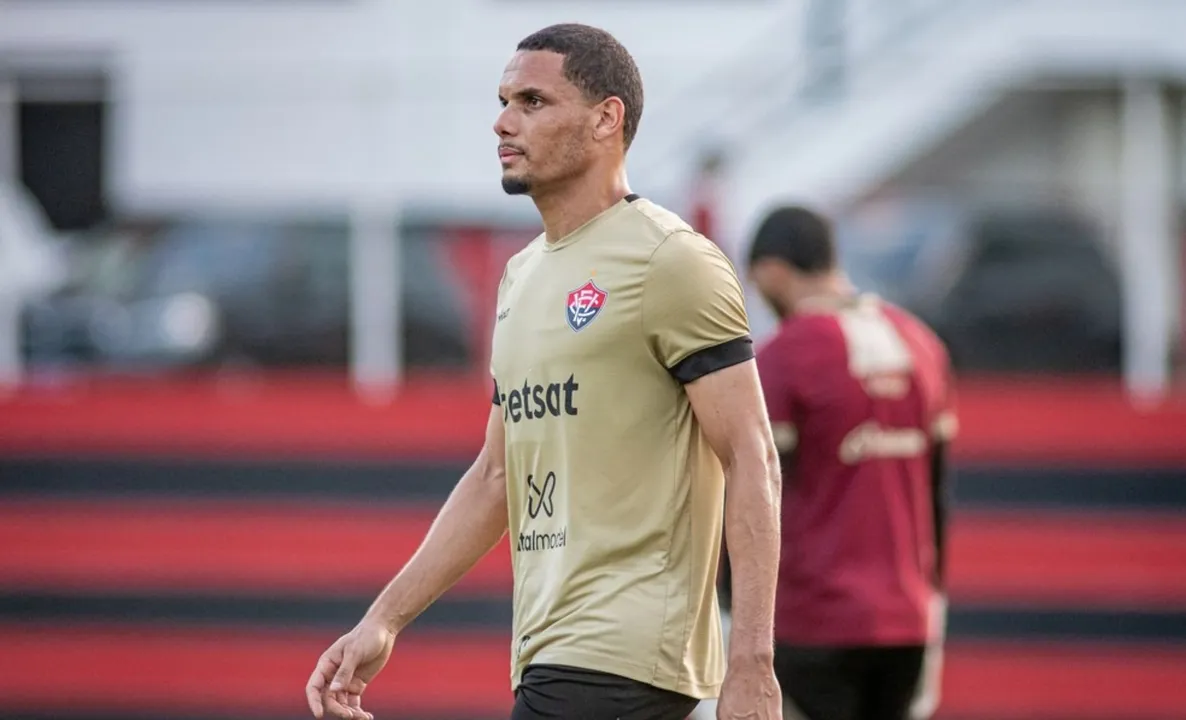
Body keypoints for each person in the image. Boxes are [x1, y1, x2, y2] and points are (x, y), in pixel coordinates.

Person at [305, 23, 784, 720]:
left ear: (605, 119)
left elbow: (753, 457)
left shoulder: (672, 260)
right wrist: (384, 619)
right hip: (549, 651)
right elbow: (497, 476)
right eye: (504, 101)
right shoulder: (521, 277)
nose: (503, 121)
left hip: (623, 657)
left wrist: (753, 665)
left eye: (533, 101)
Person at [744, 206, 956, 720]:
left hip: (813, 623)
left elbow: (751, 494)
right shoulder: (923, 345)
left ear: (772, 271)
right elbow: (937, 495)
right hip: (908, 620)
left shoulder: (783, 357)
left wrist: (734, 611)